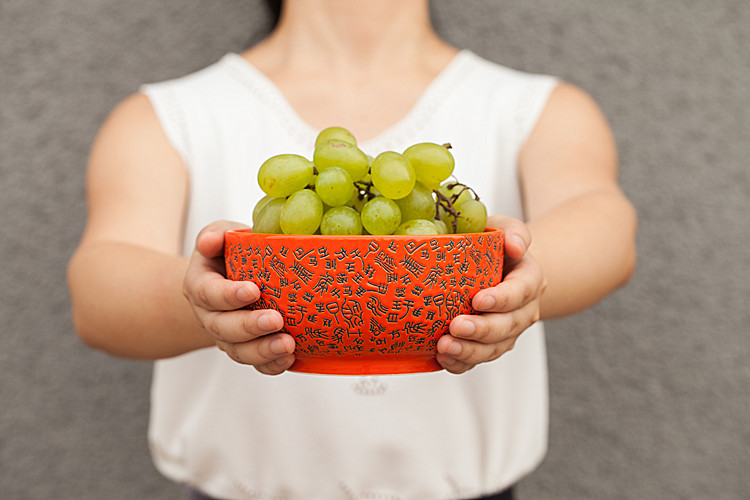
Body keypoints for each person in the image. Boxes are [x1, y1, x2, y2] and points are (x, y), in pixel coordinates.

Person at [67, 1, 637, 499]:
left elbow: (605, 226)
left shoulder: (535, 107)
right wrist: (208, 298)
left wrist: (521, 274)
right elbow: (98, 294)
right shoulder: (167, 117)